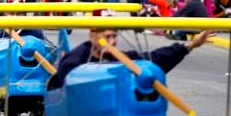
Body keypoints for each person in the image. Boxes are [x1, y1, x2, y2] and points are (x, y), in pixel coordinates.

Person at [50, 27, 213, 89]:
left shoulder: (123, 58)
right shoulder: (74, 60)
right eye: (107, 37)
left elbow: (154, 58)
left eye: (114, 36)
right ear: (92, 36)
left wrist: (191, 45)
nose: (112, 42)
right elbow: (65, 86)